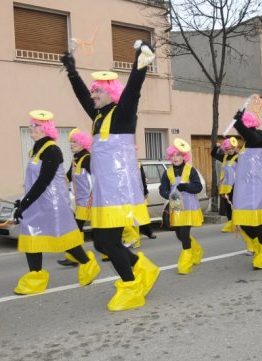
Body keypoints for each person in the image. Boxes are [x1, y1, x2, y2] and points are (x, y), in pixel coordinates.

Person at [61, 41, 160, 310]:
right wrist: (72, 71)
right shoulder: (98, 116)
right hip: (105, 191)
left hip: (121, 190)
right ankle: (142, 268)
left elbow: (134, 89)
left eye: (97, 91)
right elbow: (82, 96)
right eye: (93, 91)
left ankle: (131, 288)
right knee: (104, 243)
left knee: (108, 242)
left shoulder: (123, 113)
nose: (92, 95)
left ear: (110, 92)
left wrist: (141, 59)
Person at [13, 111, 99, 294]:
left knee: (65, 239)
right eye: (31, 125)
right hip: (37, 202)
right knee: (31, 237)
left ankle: (87, 263)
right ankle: (35, 277)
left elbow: (44, 181)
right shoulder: (34, 149)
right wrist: (23, 201)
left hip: (52, 204)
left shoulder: (52, 150)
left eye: (34, 125)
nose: (31, 128)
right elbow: (33, 181)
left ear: (44, 128)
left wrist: (24, 203)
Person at [231, 110, 262, 270]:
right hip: (245, 187)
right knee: (244, 222)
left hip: (256, 187)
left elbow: (251, 136)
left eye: (242, 128)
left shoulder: (257, 136)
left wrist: (238, 123)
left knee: (256, 222)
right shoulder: (249, 140)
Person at [159, 138, 204, 274]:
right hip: (176, 205)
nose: (175, 158)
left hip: (189, 205)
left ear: (184, 156)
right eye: (173, 155)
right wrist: (168, 194)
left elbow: (198, 187)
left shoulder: (191, 170)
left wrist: (186, 186)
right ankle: (196, 250)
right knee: (179, 234)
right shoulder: (167, 172)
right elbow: (163, 189)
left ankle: (185, 262)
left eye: (178, 155)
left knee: (184, 233)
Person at [57, 128, 93, 267]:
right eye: (71, 142)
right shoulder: (76, 158)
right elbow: (68, 176)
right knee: (79, 229)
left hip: (90, 202)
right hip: (80, 202)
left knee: (77, 229)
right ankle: (76, 256)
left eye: (74, 142)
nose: (71, 144)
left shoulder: (88, 158)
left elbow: (98, 179)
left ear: (82, 143)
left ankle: (76, 256)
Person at [211, 137, 238, 233]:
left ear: (235, 148)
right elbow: (213, 154)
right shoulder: (224, 157)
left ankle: (238, 223)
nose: (230, 150)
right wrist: (216, 147)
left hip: (236, 186)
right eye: (228, 149)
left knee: (235, 205)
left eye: (232, 148)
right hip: (226, 186)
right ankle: (231, 223)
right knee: (227, 206)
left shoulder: (239, 158)